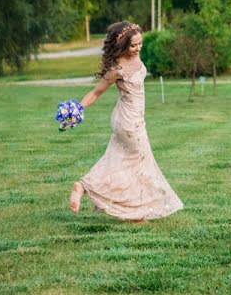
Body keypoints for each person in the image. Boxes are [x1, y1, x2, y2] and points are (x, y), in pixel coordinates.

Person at [68, 21, 184, 222]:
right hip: (129, 122)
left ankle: (84, 187)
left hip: (135, 118)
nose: (138, 48)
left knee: (118, 160)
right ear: (122, 45)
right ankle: (134, 213)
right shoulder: (117, 68)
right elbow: (96, 92)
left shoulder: (135, 58)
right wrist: (77, 110)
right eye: (133, 45)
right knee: (140, 164)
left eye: (140, 43)